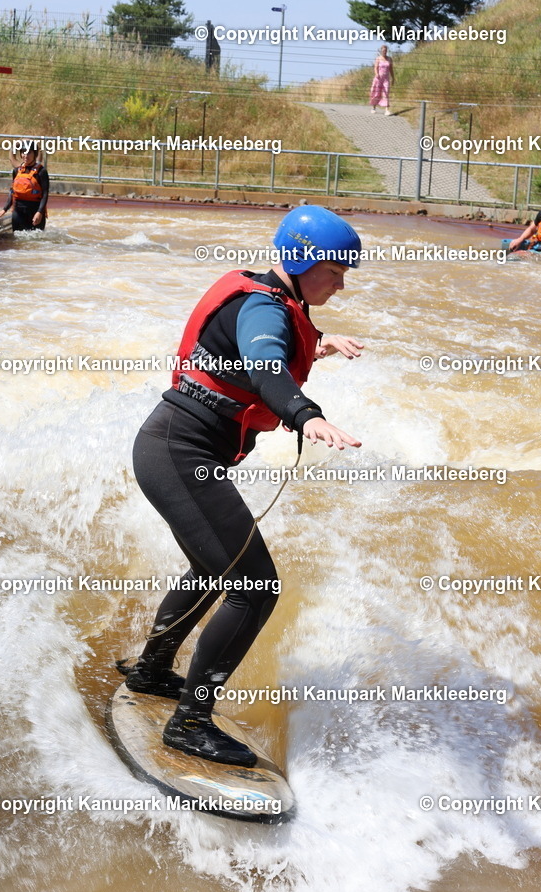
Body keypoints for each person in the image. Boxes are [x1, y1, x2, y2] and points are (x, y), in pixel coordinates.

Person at [119, 206, 364, 768]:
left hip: (169, 448)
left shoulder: (271, 299)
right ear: (303, 261)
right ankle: (190, 722)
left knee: (215, 568)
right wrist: (307, 416)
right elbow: (264, 365)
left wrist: (322, 344)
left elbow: (264, 341)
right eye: (336, 271)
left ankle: (153, 670)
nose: (342, 283)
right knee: (255, 587)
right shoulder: (262, 307)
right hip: (179, 453)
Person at [0, 141, 48, 231]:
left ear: (35, 154)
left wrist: (39, 212)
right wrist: (4, 209)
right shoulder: (16, 171)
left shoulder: (41, 172)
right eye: (23, 152)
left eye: (29, 153)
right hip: (18, 212)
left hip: (35, 212)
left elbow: (45, 194)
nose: (25, 155)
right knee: (17, 240)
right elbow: (12, 192)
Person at [369, 45, 394, 116]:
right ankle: (373, 107)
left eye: (385, 50)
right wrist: (377, 74)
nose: (384, 52)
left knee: (386, 93)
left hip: (386, 79)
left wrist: (393, 78)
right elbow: (375, 68)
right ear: (381, 51)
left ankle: (387, 110)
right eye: (383, 50)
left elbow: (391, 69)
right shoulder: (378, 59)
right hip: (379, 79)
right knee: (376, 93)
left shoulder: (389, 59)